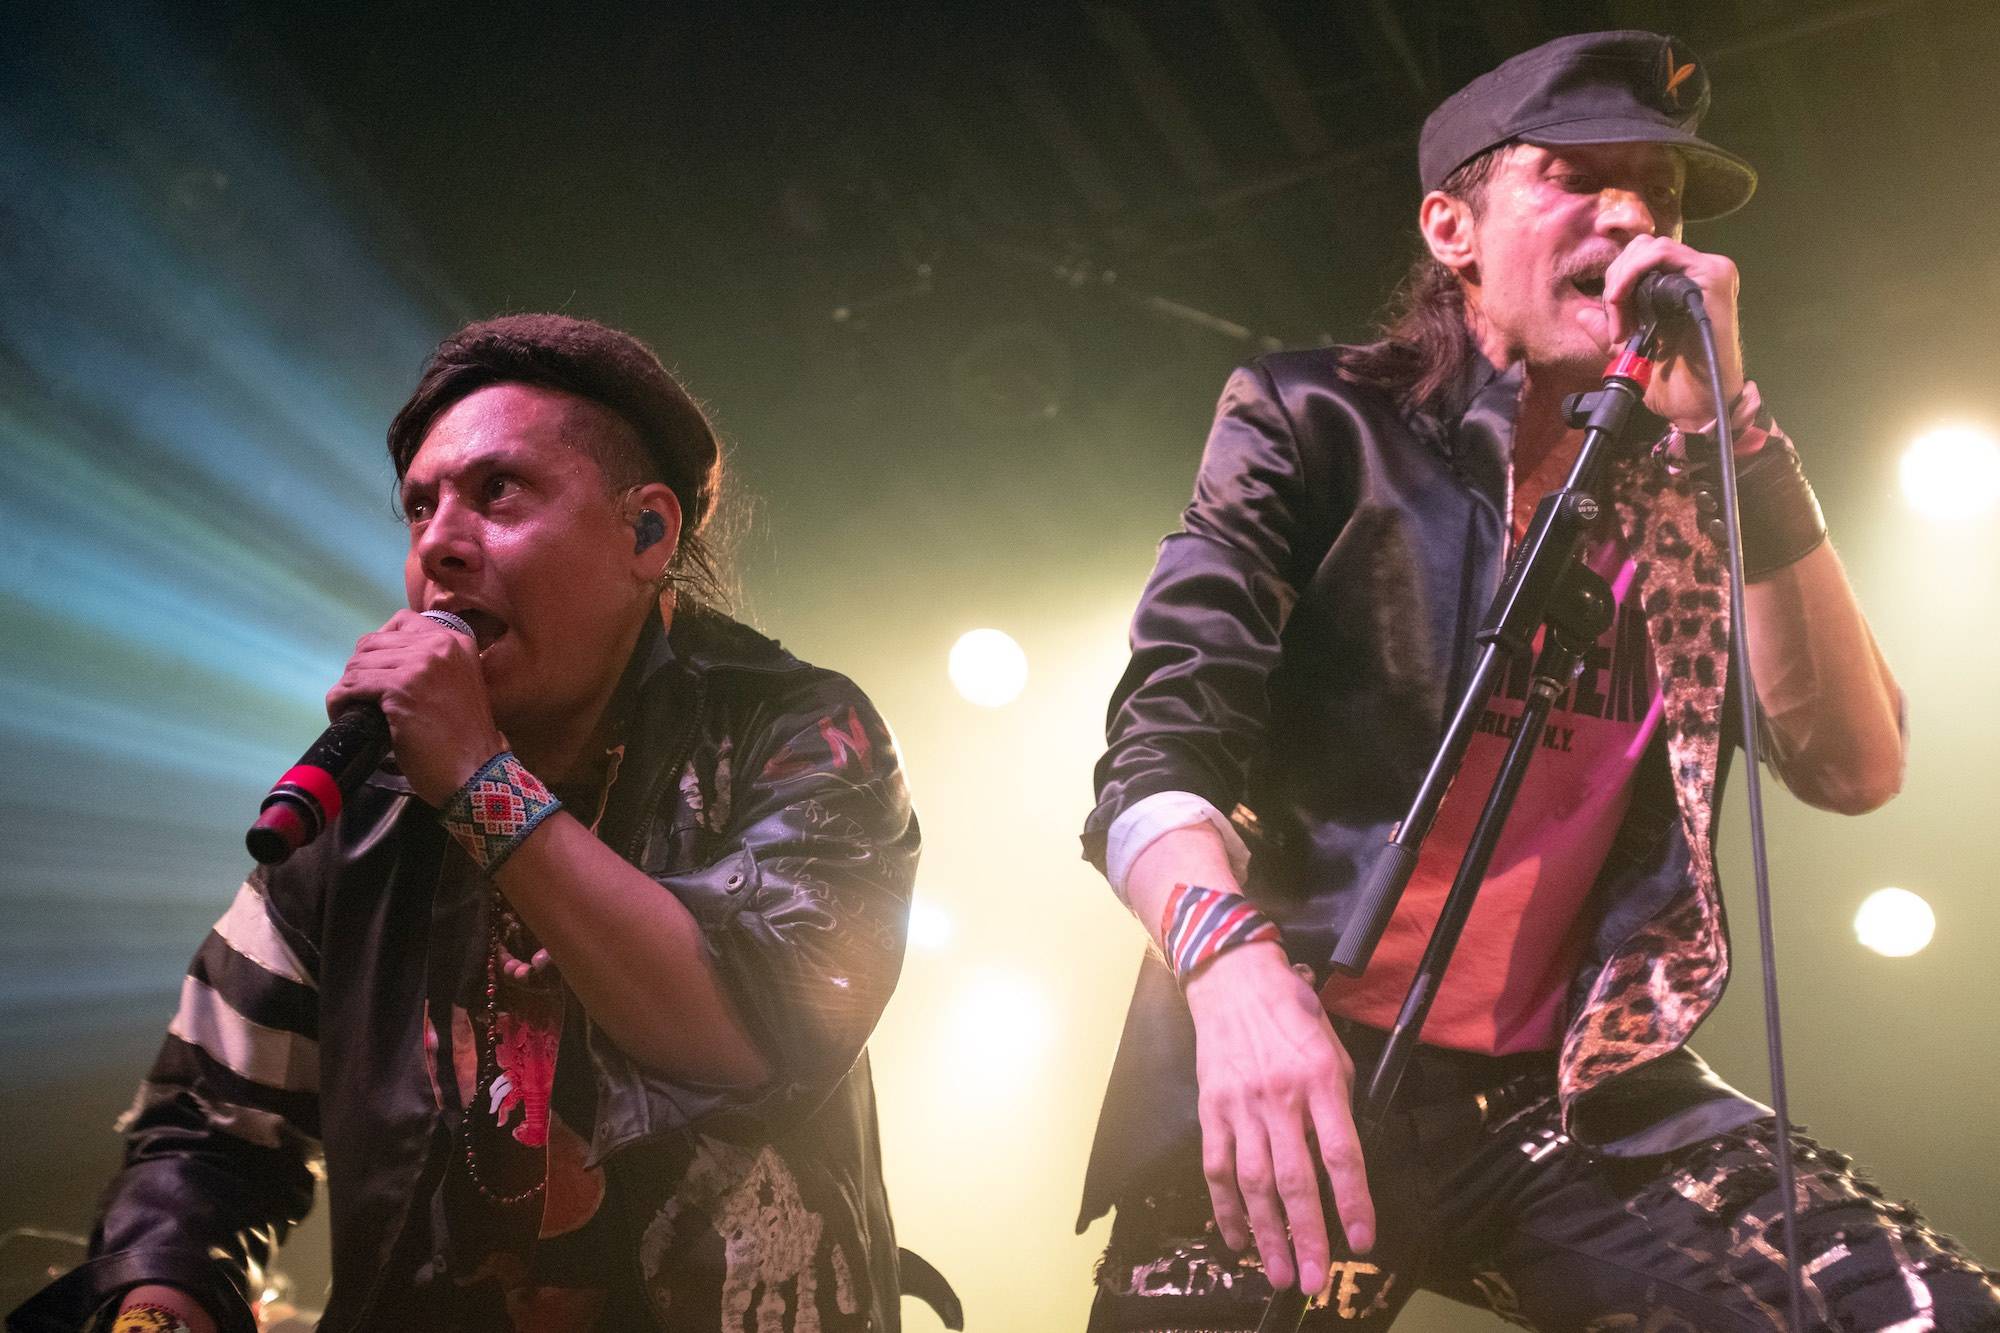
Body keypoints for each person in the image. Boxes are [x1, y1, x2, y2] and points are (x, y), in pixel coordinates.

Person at [1079, 30, 2000, 1331]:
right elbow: (1156, 752)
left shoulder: (1695, 486)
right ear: (1450, 227)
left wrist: (1736, 432)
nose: (1630, 216)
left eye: (1658, 193)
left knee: (1920, 1312)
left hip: (1559, 1095)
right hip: (1288, 1053)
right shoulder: (1316, 420)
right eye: (1575, 176)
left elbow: (1853, 765)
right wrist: (1231, 976)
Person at [11, 315, 923, 1332]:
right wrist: (159, 1298)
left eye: (499, 492)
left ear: (645, 534)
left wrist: (479, 781)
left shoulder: (795, 731)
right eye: (419, 506)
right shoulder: (371, 796)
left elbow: (754, 1029)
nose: (439, 543)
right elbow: (209, 1132)